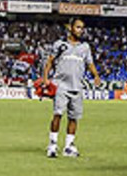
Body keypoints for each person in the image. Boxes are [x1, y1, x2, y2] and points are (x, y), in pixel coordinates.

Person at [41, 18, 101, 158]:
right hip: (60, 85)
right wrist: (45, 79)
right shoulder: (60, 44)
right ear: (71, 28)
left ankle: (68, 147)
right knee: (58, 114)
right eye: (78, 27)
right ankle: (53, 145)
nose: (81, 30)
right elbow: (49, 62)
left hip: (77, 87)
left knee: (74, 118)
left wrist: (96, 75)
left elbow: (90, 63)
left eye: (82, 28)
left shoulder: (85, 47)